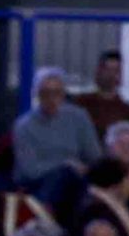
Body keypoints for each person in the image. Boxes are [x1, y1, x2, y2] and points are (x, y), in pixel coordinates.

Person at [13, 68, 101, 201]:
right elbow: (29, 170)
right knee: (64, 178)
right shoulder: (24, 126)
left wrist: (81, 168)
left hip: (77, 178)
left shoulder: (79, 117)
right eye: (46, 93)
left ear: (63, 94)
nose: (51, 98)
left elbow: (94, 156)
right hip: (39, 184)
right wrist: (65, 165)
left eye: (57, 93)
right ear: (37, 94)